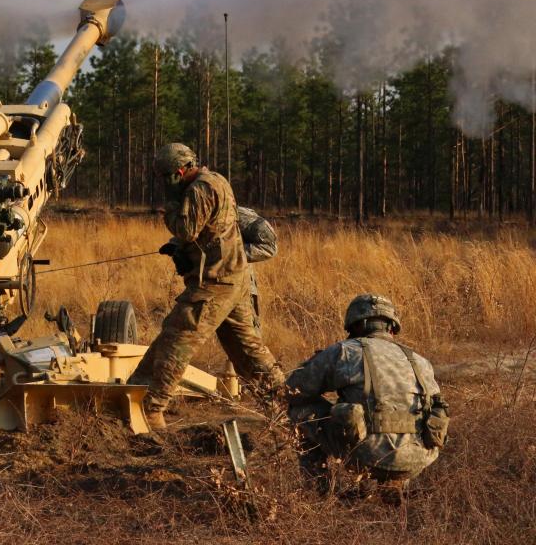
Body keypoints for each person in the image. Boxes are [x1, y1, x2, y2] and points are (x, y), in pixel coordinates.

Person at [133, 143, 284, 432]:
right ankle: (283, 404)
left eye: (166, 177)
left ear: (178, 172)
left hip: (216, 282)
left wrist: (170, 211)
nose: (164, 184)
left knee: (177, 338)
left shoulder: (200, 189)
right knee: (246, 350)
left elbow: (187, 229)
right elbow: (207, 231)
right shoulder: (216, 181)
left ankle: (149, 406)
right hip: (233, 278)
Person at [287, 294, 448, 501]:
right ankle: (395, 481)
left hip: (365, 455)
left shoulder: (345, 351)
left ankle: (320, 494)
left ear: (356, 325)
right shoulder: (420, 361)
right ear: (391, 327)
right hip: (419, 458)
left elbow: (295, 389)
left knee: (300, 410)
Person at [237, 205, 277, 334]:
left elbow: (270, 245)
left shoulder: (231, 212)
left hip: (239, 290)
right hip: (206, 290)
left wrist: (231, 254)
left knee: (251, 342)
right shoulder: (193, 213)